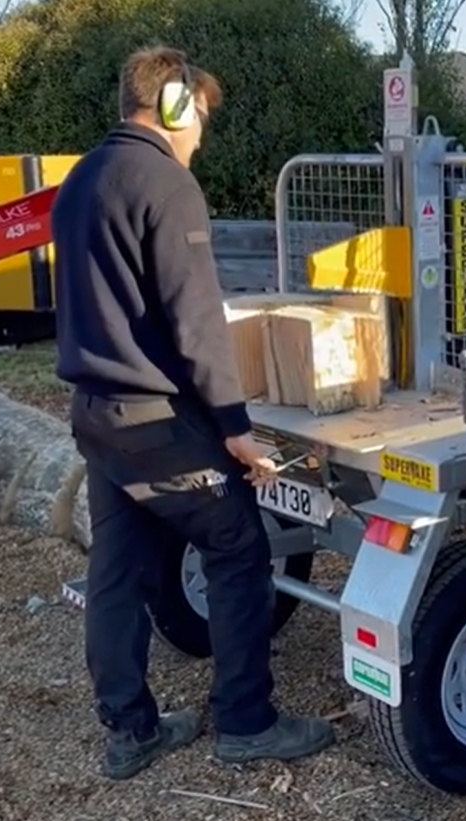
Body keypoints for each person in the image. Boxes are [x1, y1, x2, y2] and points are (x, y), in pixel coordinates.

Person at [50, 45, 336, 781]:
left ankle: (129, 729)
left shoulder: (78, 180)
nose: (201, 134)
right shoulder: (166, 184)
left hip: (98, 412)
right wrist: (235, 428)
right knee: (238, 549)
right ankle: (246, 722)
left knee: (116, 569)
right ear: (173, 107)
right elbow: (197, 319)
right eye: (199, 117)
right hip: (155, 422)